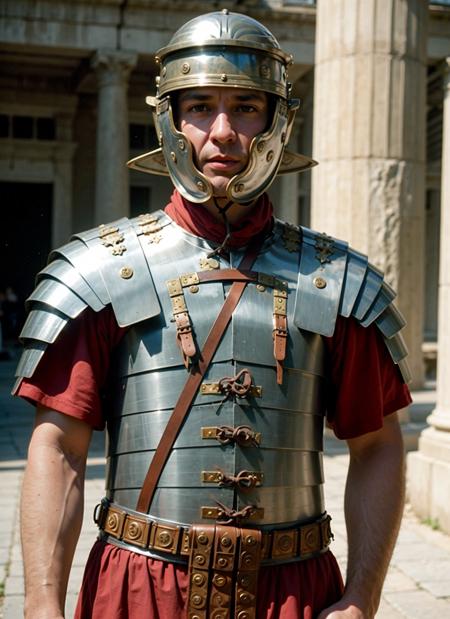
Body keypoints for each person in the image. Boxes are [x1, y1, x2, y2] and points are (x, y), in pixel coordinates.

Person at [15, 9, 412, 619]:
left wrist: (362, 597)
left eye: (247, 106)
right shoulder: (98, 270)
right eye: (199, 105)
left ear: (278, 121)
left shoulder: (339, 282)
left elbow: (378, 443)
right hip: (141, 588)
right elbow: (60, 446)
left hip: (292, 592)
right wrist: (42, 604)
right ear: (169, 119)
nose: (222, 131)